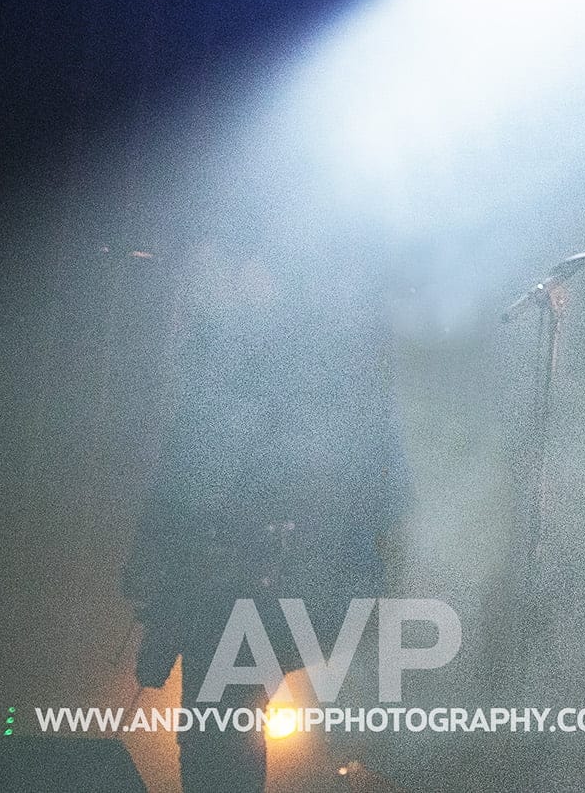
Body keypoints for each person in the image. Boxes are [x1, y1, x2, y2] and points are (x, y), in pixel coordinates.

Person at [123, 224, 409, 793]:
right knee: (215, 727)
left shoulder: (305, 370)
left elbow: (375, 487)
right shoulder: (241, 368)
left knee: (218, 726)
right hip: (243, 582)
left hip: (272, 580)